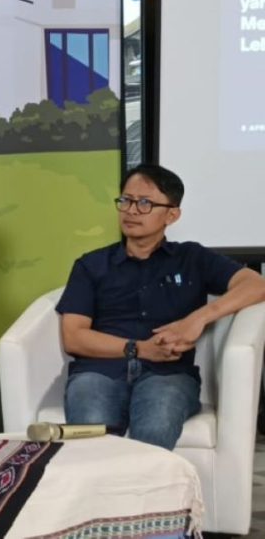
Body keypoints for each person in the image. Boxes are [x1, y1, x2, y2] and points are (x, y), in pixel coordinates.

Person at [57, 163, 265, 449]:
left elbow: (257, 285)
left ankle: (142, 481)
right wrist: (140, 349)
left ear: (172, 215)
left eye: (145, 203)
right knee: (92, 432)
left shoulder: (192, 258)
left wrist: (198, 319)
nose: (131, 211)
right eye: (126, 200)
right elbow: (74, 337)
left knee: (155, 426)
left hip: (168, 375)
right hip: (99, 372)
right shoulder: (91, 265)